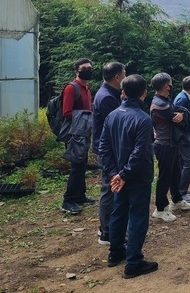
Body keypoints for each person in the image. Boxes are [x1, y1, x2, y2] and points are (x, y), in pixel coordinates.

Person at [98, 74, 159, 279]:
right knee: (138, 217)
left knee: (119, 212)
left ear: (123, 92)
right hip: (137, 176)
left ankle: (115, 253)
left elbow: (103, 147)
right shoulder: (143, 119)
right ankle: (133, 262)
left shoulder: (112, 115)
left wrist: (114, 173)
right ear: (144, 93)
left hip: (118, 175)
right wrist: (122, 174)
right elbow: (140, 152)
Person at [150, 73, 190, 222]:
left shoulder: (164, 100)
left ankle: (176, 199)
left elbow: (180, 114)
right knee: (164, 177)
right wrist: (182, 115)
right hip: (164, 144)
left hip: (171, 143)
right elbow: (176, 119)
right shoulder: (159, 104)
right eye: (170, 84)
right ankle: (160, 208)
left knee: (175, 173)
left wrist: (182, 115)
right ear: (167, 85)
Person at [92, 61, 126, 245]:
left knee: (113, 188)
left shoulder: (112, 93)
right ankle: (106, 233)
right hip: (108, 150)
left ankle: (111, 229)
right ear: (117, 77)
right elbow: (116, 125)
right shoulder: (106, 98)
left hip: (112, 149)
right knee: (109, 189)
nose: (126, 77)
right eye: (125, 73)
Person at [60, 57, 94, 215]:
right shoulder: (71, 88)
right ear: (76, 71)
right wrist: (87, 115)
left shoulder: (87, 87)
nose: (87, 70)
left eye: (89, 68)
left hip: (84, 131)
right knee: (76, 166)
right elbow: (66, 113)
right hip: (74, 133)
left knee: (82, 164)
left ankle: (80, 195)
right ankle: (68, 200)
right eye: (84, 68)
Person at [173, 75, 190, 203]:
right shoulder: (182, 99)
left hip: (185, 135)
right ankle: (181, 192)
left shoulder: (183, 97)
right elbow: (177, 119)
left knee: (184, 163)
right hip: (183, 136)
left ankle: (182, 188)